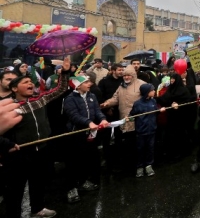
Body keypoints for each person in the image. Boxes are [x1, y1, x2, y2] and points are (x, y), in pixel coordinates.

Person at [2, 57, 71, 218]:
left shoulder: (39, 99)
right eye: (25, 82)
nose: (30, 84)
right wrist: (7, 145)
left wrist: (66, 72)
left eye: (30, 82)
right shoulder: (7, 106)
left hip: (41, 150)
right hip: (18, 153)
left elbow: (60, 89)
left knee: (38, 181)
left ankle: (38, 208)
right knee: (15, 189)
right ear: (14, 88)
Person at [63, 75, 109, 203]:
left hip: (90, 133)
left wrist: (103, 119)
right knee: (74, 162)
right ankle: (71, 188)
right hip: (75, 134)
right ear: (78, 86)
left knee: (87, 159)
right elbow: (73, 115)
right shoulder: (70, 99)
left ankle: (83, 182)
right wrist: (88, 122)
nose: (90, 84)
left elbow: (97, 111)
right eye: (86, 82)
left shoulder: (91, 96)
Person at [101, 65, 146, 171]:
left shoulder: (142, 85)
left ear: (133, 75)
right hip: (124, 119)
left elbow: (148, 99)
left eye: (128, 75)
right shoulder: (121, 86)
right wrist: (106, 104)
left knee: (137, 143)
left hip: (138, 120)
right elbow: (115, 98)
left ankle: (140, 164)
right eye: (124, 75)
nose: (126, 77)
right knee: (127, 142)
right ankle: (129, 164)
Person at [129, 84, 176, 178]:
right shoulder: (137, 103)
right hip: (141, 131)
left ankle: (148, 165)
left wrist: (160, 110)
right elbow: (132, 115)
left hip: (152, 130)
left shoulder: (153, 101)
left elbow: (155, 111)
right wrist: (129, 118)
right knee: (140, 149)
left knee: (150, 148)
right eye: (152, 90)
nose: (154, 91)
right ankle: (140, 167)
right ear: (147, 92)